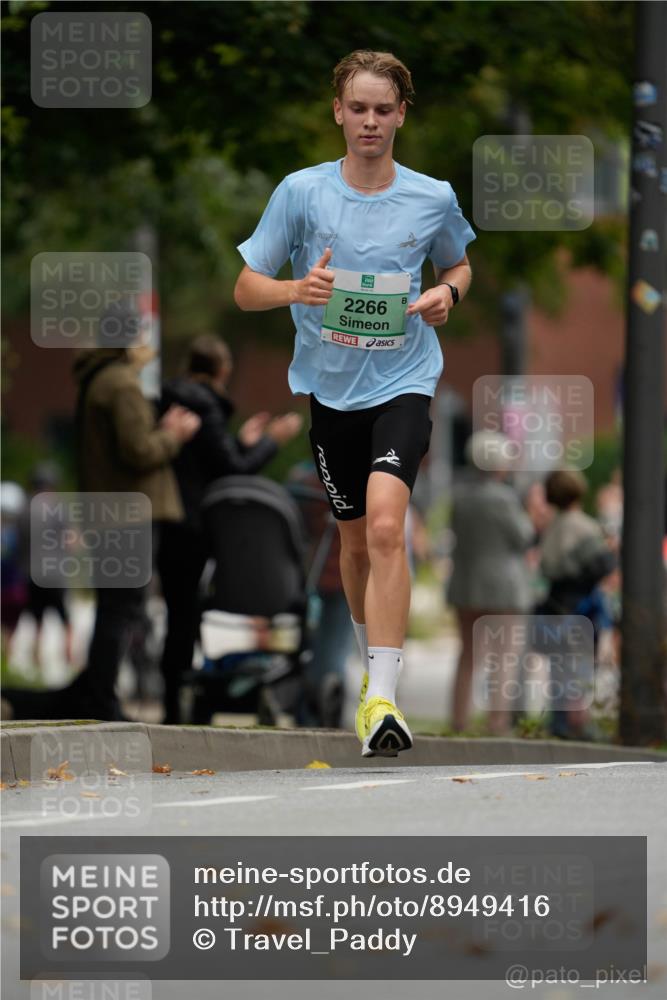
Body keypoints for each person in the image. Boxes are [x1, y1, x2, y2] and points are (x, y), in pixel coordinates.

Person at [234, 49, 475, 756]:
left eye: (383, 110)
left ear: (401, 115)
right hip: (330, 392)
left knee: (386, 524)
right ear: (338, 111)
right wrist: (295, 289)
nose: (370, 121)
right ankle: (374, 670)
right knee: (353, 541)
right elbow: (246, 288)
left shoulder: (431, 197)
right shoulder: (301, 193)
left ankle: (382, 697)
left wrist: (447, 292)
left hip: (404, 381)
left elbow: (458, 262)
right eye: (359, 108)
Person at [157, 334, 302, 722]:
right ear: (223, 370)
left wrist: (241, 441)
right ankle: (177, 708)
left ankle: (175, 702)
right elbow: (233, 471)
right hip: (194, 526)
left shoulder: (170, 399)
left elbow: (210, 460)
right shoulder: (206, 406)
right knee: (184, 618)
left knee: (178, 614)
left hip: (168, 521)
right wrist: (271, 442)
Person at [447, 432, 537, 734]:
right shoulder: (504, 498)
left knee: (467, 655)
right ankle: (497, 723)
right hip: (504, 588)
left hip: (465, 583)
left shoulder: (460, 496)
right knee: (504, 656)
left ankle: (459, 721)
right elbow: (524, 537)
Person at [538, 469, 618, 739]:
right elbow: (603, 565)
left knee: (559, 666)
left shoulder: (552, 526)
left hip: (555, 602)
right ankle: (578, 722)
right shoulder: (584, 526)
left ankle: (559, 722)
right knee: (581, 666)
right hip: (581, 604)